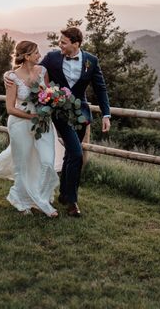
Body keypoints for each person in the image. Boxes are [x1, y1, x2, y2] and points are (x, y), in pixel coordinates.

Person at [0, 41, 61, 218]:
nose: (39, 56)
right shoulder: (12, 77)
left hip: (43, 122)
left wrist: (52, 103)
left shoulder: (42, 71)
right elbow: (10, 108)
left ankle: (41, 198)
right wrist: (32, 117)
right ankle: (21, 200)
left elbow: (48, 94)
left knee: (46, 161)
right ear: (27, 56)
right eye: (36, 53)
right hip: (20, 124)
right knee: (22, 164)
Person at [38, 26, 111, 217]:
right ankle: (72, 201)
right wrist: (11, 76)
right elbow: (33, 71)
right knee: (77, 153)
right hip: (60, 112)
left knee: (71, 154)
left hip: (81, 114)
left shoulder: (91, 61)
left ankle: (64, 193)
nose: (59, 45)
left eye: (63, 42)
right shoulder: (52, 57)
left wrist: (106, 114)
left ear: (75, 44)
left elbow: (100, 88)